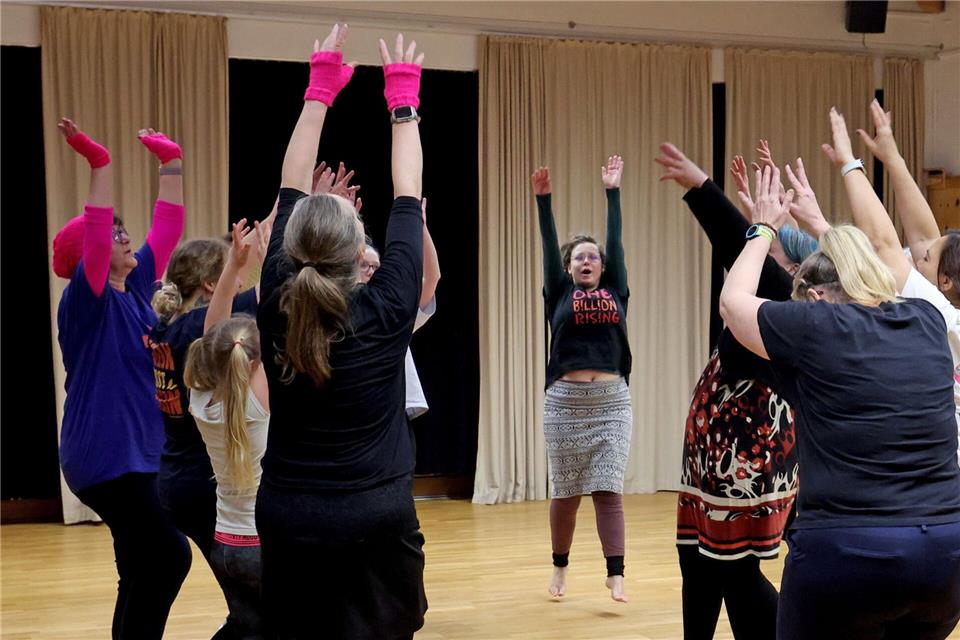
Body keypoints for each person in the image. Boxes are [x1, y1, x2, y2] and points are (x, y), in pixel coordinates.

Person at [720, 163, 960, 639]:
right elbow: (883, 273)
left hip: (848, 554)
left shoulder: (817, 326)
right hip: (945, 559)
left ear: (815, 297)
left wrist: (763, 228)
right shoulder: (928, 319)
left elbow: (733, 303)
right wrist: (820, 226)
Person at [254, 25, 428, 638]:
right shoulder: (388, 304)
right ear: (361, 250)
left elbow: (291, 180)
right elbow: (409, 188)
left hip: (288, 512)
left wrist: (319, 88)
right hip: (375, 513)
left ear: (293, 245)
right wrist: (401, 98)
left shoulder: (276, 297)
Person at [52, 118, 190, 639]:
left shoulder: (135, 291)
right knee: (168, 557)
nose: (124, 233)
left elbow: (167, 229)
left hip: (136, 456)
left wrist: (171, 165)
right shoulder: (86, 301)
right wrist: (100, 164)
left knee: (140, 567)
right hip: (108, 457)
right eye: (113, 232)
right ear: (88, 250)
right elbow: (95, 229)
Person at [657, 142, 800, 639]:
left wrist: (702, 188)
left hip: (741, 467)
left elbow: (742, 250)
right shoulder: (771, 292)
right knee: (699, 562)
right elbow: (743, 249)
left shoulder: (781, 305)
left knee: (732, 575)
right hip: (713, 468)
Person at [532, 155, 632, 602]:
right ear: (569, 268)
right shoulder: (558, 292)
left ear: (603, 267)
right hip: (565, 403)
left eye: (593, 257)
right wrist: (543, 203)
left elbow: (617, 240)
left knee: (608, 488)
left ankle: (616, 573)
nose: (586, 260)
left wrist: (613, 192)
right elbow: (549, 244)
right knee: (567, 492)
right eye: (578, 258)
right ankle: (559, 569)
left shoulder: (616, 292)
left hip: (612, 401)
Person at [184, 219, 272, 640]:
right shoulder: (260, 401)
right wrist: (267, 261)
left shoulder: (200, 401)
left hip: (226, 544)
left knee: (246, 625)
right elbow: (272, 315)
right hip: (265, 545)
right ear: (256, 364)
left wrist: (233, 270)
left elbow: (212, 331)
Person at [359, 196, 440, 419]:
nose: (370, 271)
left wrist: (421, 229)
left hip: (389, 415)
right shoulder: (333, 307)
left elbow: (432, 278)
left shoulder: (389, 310)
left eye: (375, 266)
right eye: (363, 265)